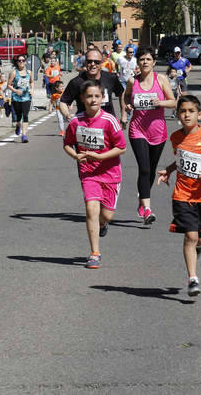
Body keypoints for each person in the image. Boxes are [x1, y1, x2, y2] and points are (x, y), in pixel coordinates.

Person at [157, 95, 201, 297]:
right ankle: (193, 278)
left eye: (191, 111)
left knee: (199, 238)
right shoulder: (176, 138)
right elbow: (180, 160)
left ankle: (199, 242)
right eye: (183, 111)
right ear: (177, 114)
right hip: (182, 195)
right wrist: (169, 170)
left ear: (199, 114)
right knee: (190, 236)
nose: (186, 114)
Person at [63, 80, 127, 269]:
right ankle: (94, 253)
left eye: (97, 96)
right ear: (82, 98)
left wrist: (99, 156)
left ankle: (102, 224)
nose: (93, 100)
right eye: (89, 96)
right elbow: (67, 143)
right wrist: (75, 155)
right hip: (88, 173)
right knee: (92, 209)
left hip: (110, 173)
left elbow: (121, 148)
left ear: (103, 98)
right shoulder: (76, 121)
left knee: (106, 215)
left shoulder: (109, 121)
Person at [121, 46, 177, 225]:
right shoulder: (132, 81)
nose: (144, 62)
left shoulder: (160, 79)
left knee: (151, 170)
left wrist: (160, 102)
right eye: (141, 59)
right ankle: (147, 209)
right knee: (144, 168)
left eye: (148, 59)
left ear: (153, 62)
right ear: (137, 62)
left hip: (157, 131)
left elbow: (173, 102)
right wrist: (127, 108)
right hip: (137, 130)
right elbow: (126, 96)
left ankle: (142, 199)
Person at [59, 47, 126, 121]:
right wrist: (67, 115)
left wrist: (123, 115)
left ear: (101, 63)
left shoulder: (111, 78)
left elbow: (122, 93)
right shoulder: (76, 82)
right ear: (85, 62)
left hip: (107, 124)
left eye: (97, 62)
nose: (93, 64)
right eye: (89, 61)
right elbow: (63, 102)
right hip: (85, 126)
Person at [8, 55, 33, 143]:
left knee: (25, 115)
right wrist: (15, 90)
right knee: (18, 116)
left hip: (26, 97)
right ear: (17, 62)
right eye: (19, 60)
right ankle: (18, 125)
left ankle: (24, 135)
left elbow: (31, 82)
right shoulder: (14, 73)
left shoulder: (29, 72)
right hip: (16, 98)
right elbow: (9, 85)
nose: (21, 62)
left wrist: (32, 90)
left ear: (25, 62)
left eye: (23, 60)